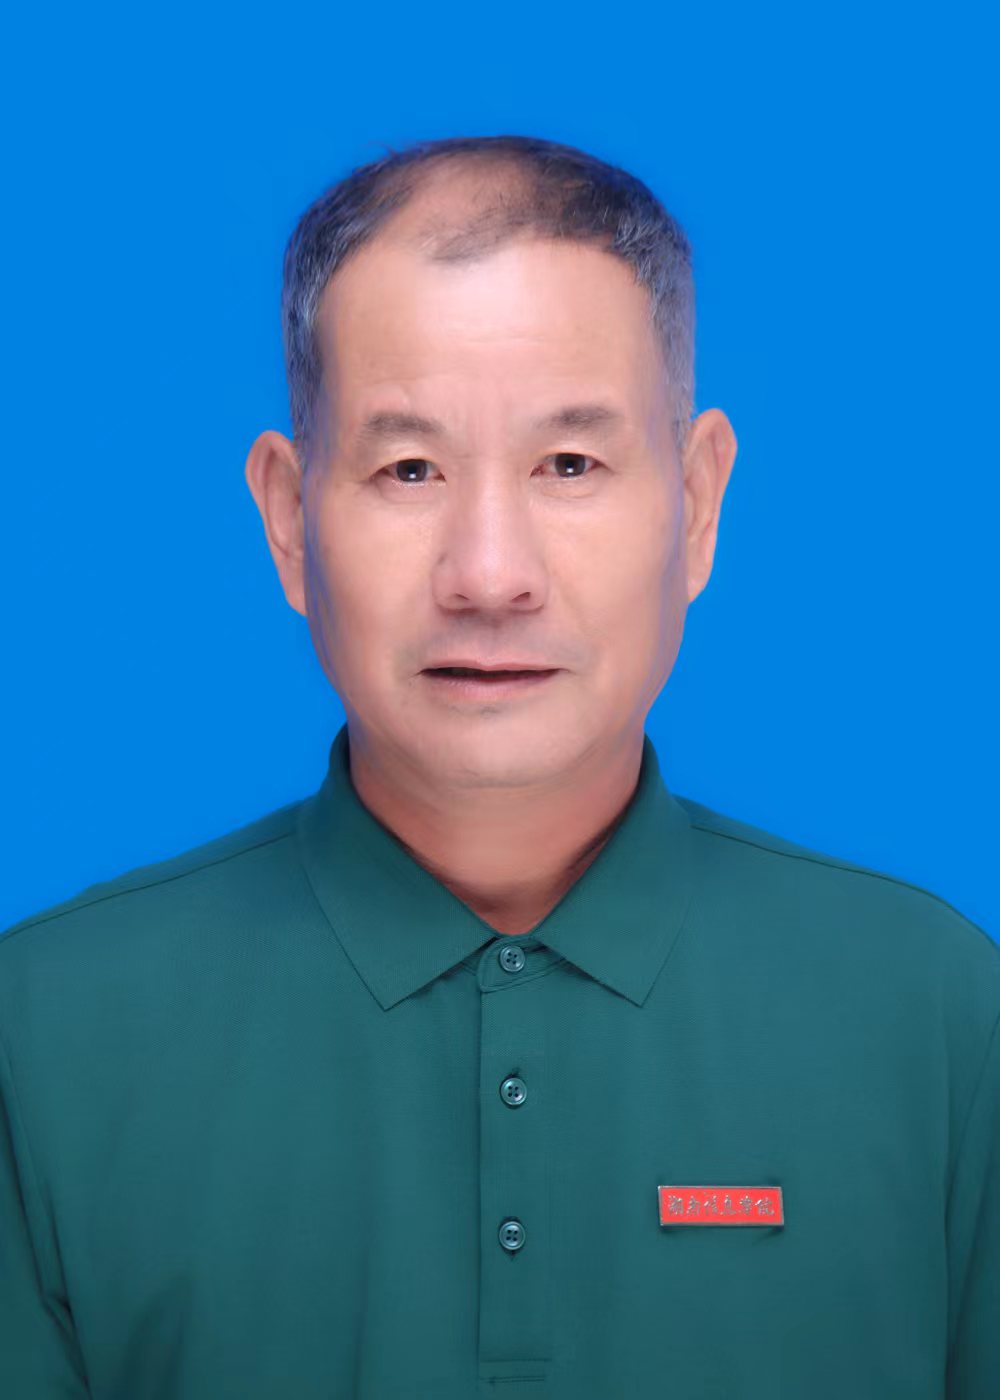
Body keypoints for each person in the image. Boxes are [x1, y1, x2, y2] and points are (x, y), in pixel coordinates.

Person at [1, 134, 996, 1400]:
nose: (488, 573)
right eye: (408, 467)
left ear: (696, 503)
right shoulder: (42, 1037)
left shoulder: (940, 1020)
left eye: (569, 464)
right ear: (288, 518)